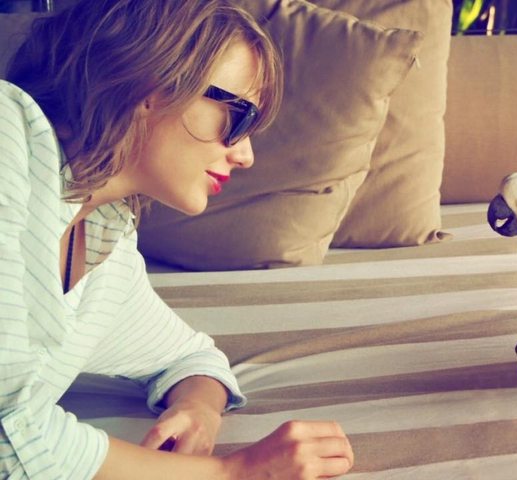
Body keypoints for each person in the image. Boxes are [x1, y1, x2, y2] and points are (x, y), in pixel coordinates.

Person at [0, 0, 354, 478]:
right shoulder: (7, 133)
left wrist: (199, 408)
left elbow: (192, 357)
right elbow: (7, 433)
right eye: (239, 117)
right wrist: (232, 473)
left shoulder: (104, 240)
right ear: (149, 82)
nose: (245, 155)